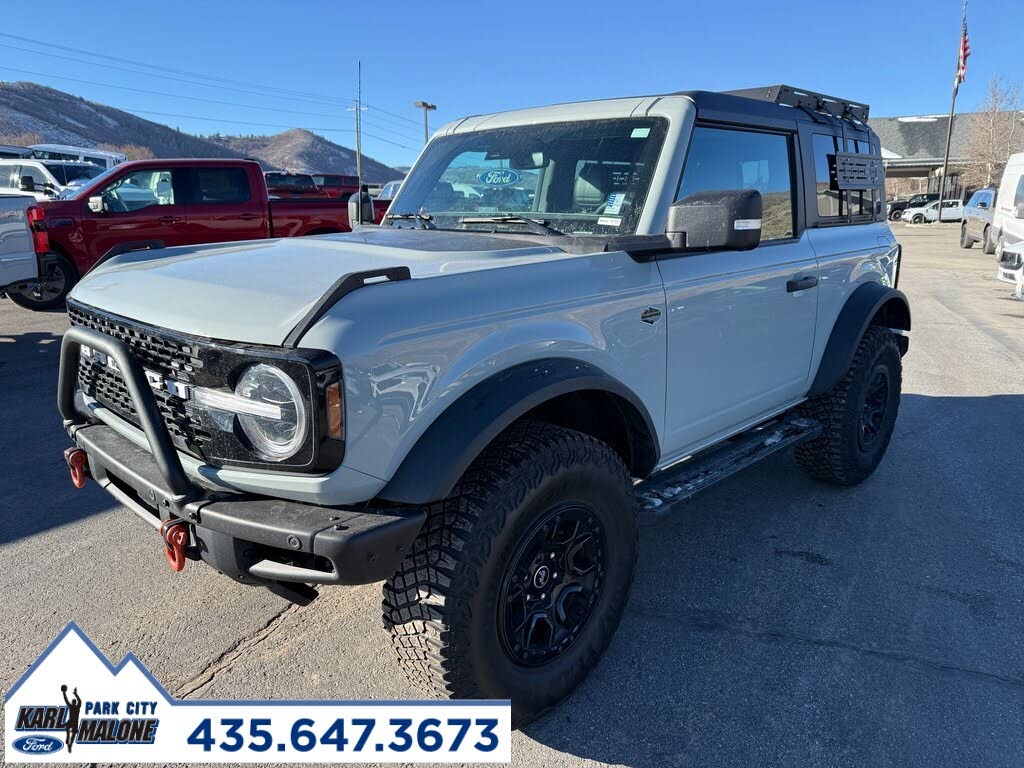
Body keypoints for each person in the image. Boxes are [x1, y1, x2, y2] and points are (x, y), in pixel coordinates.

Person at [61, 684, 82, 753]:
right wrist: (75, 694)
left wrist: (64, 693)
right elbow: (79, 701)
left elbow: (66, 700)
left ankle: (69, 741)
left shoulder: (73, 706)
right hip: (73, 722)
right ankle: (69, 740)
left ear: (73, 702)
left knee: (70, 729)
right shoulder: (76, 707)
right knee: (72, 732)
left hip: (73, 722)